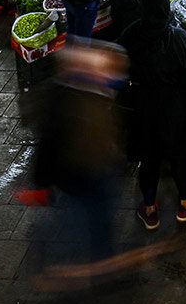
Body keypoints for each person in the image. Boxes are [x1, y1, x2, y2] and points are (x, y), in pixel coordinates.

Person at [119, 0, 186, 230]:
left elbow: (118, 68)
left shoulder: (130, 34)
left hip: (143, 107)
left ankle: (150, 209)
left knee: (148, 158)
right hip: (175, 108)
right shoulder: (177, 37)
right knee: (179, 156)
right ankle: (185, 204)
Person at [28, 42, 128, 262]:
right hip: (81, 175)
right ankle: (87, 262)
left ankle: (97, 255)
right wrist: (41, 184)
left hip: (97, 172)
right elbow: (48, 143)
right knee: (86, 222)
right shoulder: (66, 102)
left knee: (96, 221)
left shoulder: (95, 92)